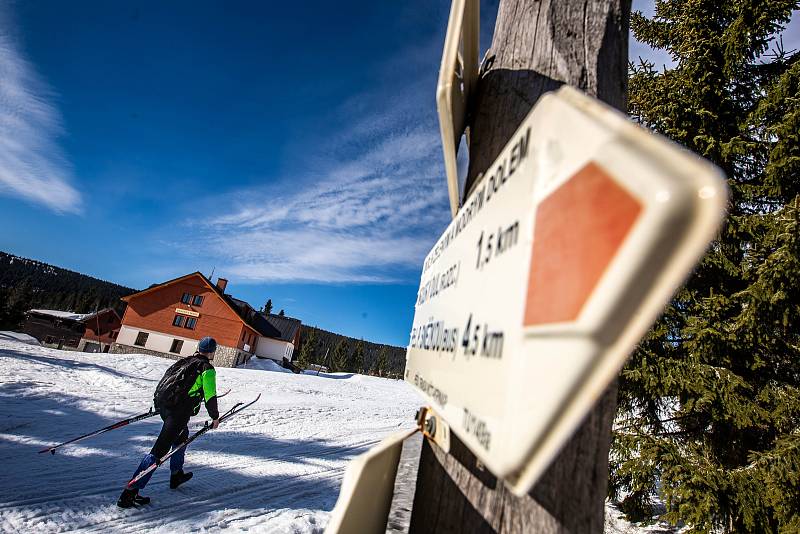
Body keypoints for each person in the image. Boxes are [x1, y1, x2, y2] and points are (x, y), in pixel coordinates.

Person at [117, 336, 221, 508]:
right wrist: (215, 417)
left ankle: (176, 474)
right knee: (158, 451)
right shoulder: (207, 369)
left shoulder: (185, 362)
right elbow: (210, 396)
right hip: (177, 414)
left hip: (165, 407)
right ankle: (129, 493)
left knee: (182, 437)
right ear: (212, 352)